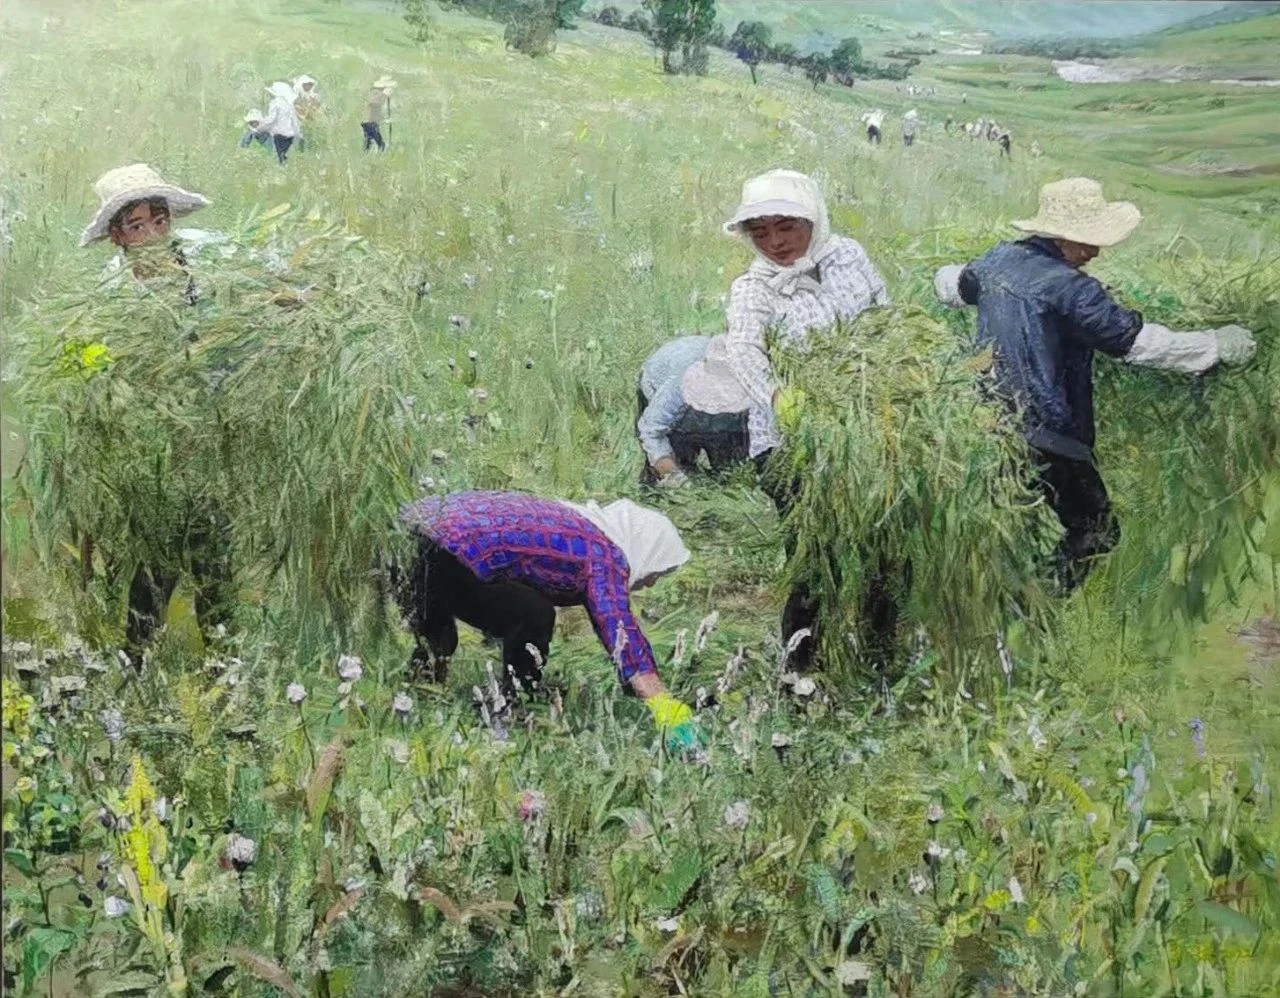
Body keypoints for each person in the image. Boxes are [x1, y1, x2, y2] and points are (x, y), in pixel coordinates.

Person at [933, 178, 1257, 593]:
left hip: (989, 421)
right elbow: (1138, 345)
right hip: (1047, 432)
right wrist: (1214, 345)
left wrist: (947, 277)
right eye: (1088, 240)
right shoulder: (1074, 290)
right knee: (1096, 531)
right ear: (1062, 236)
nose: (1096, 251)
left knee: (1018, 524)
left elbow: (950, 286)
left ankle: (1015, 597)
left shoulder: (1000, 260)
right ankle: (1041, 608)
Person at [684, 169, 894, 668]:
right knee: (814, 553)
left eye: (786, 227)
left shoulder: (849, 257)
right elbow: (744, 352)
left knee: (883, 545)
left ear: (813, 219)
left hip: (864, 425)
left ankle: (878, 655)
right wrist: (780, 399)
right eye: (761, 232)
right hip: (789, 441)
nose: (775, 242)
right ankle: (802, 672)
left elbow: (886, 317)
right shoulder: (752, 288)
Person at [396, 491, 700, 749]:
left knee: (442, 633)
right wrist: (663, 704)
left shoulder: (572, 521)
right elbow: (618, 628)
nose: (650, 583)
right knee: (534, 614)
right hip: (452, 545)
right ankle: (514, 708)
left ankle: (419, 702)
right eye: (657, 573)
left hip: (416, 529)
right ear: (646, 548)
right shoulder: (603, 553)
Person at [78, 164, 234, 649]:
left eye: (160, 221)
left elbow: (251, 306)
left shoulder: (207, 261)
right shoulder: (111, 293)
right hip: (152, 443)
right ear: (118, 238)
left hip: (211, 432)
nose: (153, 235)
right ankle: (136, 657)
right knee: (156, 553)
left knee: (214, 552)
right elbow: (94, 364)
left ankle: (222, 659)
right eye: (138, 225)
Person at [635, 336, 762, 487]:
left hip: (725, 423)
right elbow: (651, 430)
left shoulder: (754, 384)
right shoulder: (678, 385)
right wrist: (670, 472)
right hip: (669, 406)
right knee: (673, 468)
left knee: (730, 471)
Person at [260, 81, 300, 165]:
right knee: (285, 154)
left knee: (279, 155)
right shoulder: (289, 104)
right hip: (290, 134)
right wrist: (298, 133)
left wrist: (261, 127)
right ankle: (285, 168)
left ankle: (281, 169)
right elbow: (294, 120)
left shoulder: (275, 103)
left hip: (279, 133)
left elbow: (271, 119)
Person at [362, 76, 395, 152]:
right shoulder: (375, 92)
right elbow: (374, 103)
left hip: (372, 122)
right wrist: (384, 94)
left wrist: (385, 119)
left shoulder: (378, 93)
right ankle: (379, 155)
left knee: (368, 142)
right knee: (380, 143)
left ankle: (366, 155)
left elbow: (378, 109)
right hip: (370, 122)